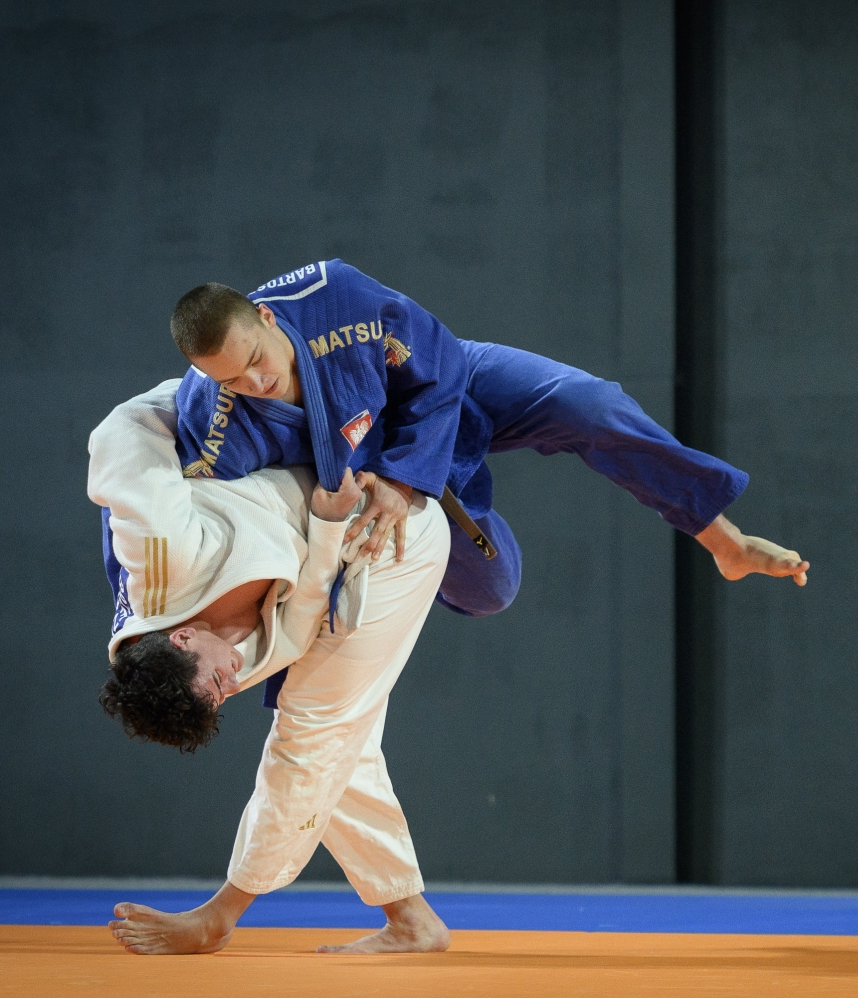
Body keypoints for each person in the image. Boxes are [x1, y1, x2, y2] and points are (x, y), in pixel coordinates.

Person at [171, 259, 808, 632]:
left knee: (590, 405)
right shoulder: (215, 425)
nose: (255, 383)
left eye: (256, 359)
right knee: (493, 587)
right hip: (357, 470)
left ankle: (724, 541)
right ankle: (435, 548)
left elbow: (438, 362)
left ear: (267, 317)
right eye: (232, 379)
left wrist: (404, 479)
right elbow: (202, 527)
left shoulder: (331, 294)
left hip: (434, 388)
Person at [88, 382, 452, 954]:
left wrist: (219, 392)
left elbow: (121, 431)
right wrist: (326, 528)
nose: (234, 684)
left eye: (216, 682)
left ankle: (220, 916)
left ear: (182, 636)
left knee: (311, 734)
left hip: (387, 534)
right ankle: (410, 918)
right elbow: (302, 618)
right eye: (222, 696)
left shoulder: (158, 554)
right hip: (344, 549)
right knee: (337, 744)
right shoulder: (210, 662)